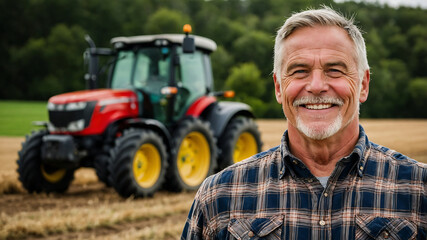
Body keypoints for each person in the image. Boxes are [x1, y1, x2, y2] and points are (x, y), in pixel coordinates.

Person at [181, 7, 427, 240]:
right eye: (299, 71)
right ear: (279, 87)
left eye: (335, 70)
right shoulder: (219, 197)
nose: (317, 86)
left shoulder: (419, 189)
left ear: (363, 84)